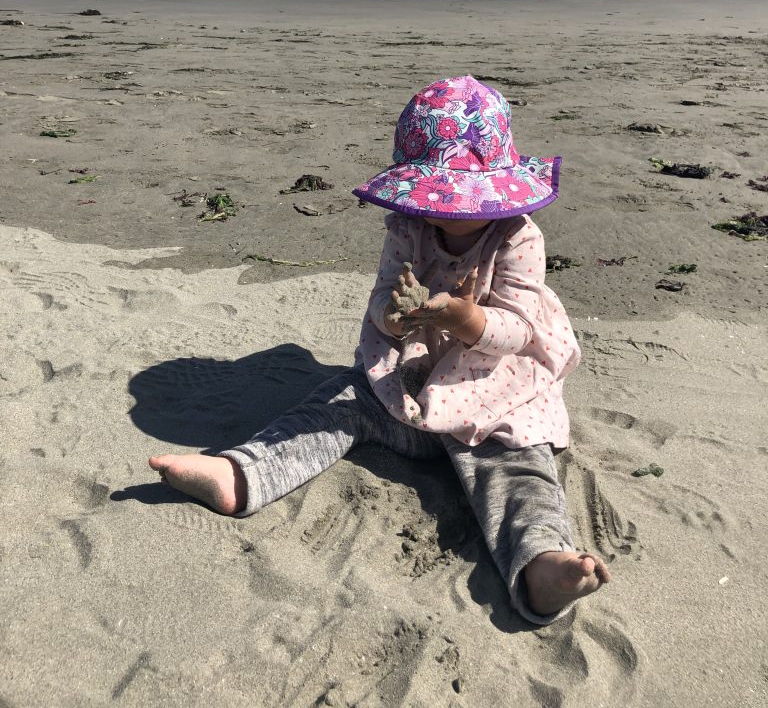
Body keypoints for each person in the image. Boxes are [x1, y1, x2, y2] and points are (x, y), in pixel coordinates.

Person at [149, 76, 610, 625]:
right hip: (407, 387)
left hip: (494, 398)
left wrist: (466, 319)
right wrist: (393, 318)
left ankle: (542, 564)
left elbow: (518, 329)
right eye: (438, 198)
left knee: (520, 472)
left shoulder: (518, 238)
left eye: (463, 200)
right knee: (333, 407)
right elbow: (383, 298)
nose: (447, 211)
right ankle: (242, 473)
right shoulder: (408, 229)